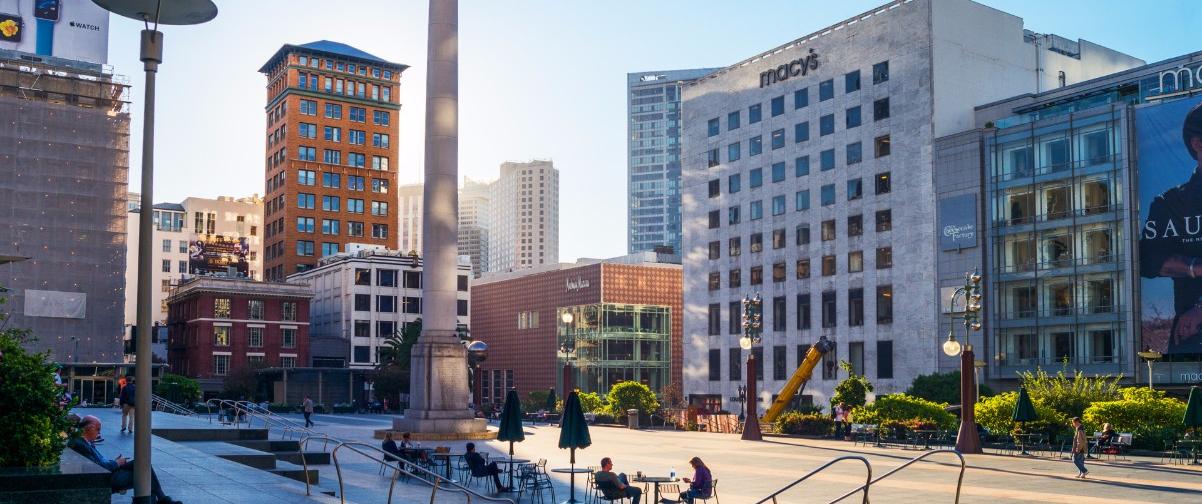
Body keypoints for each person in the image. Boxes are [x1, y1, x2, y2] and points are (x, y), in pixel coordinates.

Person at [1140, 102, 1202, 353]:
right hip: (1190, 339)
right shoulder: (1170, 202)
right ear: (1197, 144)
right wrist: (1195, 266)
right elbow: (1147, 259)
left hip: (1192, 322)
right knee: (1181, 393)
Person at [68, 415, 182, 504]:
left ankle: (160, 499)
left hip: (106, 473)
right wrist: (116, 463)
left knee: (142, 466)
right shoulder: (80, 444)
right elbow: (98, 468)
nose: (99, 433)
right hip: (105, 478)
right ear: (90, 428)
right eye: (98, 429)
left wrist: (115, 463)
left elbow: (98, 464)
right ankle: (162, 499)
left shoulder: (82, 442)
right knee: (144, 473)